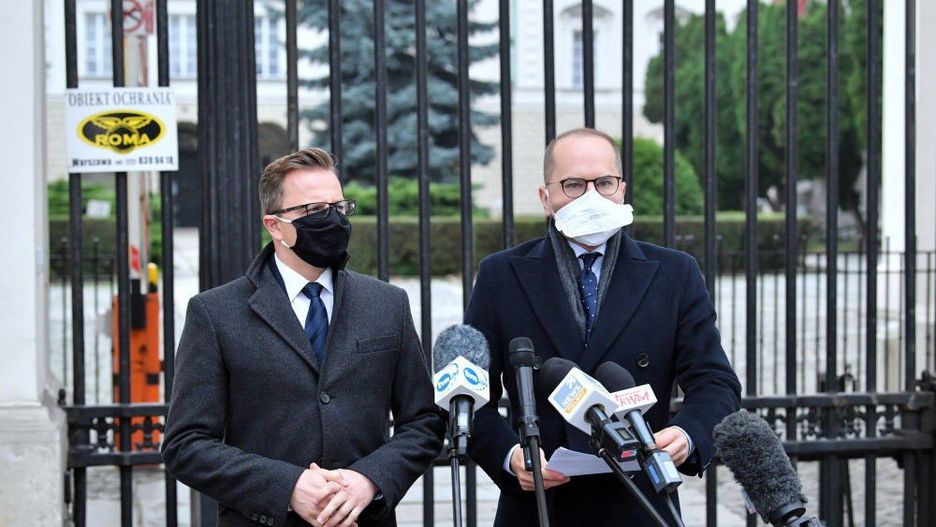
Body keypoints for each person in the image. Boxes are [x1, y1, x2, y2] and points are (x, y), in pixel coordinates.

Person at [466, 128, 742, 526]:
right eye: (574, 185)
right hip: (540, 504)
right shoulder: (501, 276)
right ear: (546, 197)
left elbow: (715, 381)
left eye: (605, 183)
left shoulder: (674, 273)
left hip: (639, 503)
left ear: (622, 190)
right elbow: (470, 396)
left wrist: (686, 435)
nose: (592, 196)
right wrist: (509, 456)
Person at [162, 148, 444, 527]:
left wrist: (369, 481)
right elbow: (186, 444)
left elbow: (424, 422)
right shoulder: (215, 313)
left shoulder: (387, 303)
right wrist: (288, 487)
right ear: (275, 225)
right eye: (314, 210)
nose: (333, 220)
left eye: (339, 207)